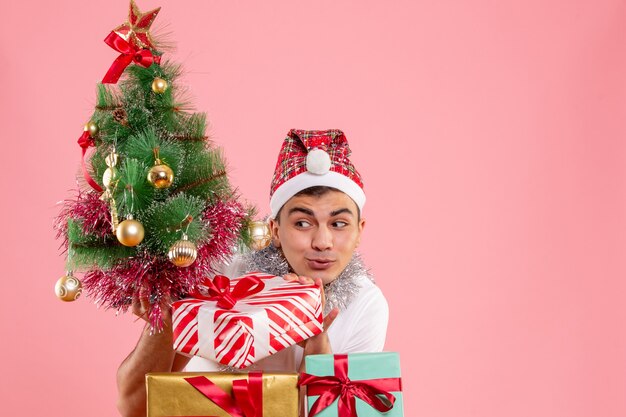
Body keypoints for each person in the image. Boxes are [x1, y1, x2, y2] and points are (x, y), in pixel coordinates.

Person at [116, 129, 389, 417]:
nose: (322, 242)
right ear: (275, 231)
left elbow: (336, 413)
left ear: (359, 232)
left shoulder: (366, 304)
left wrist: (316, 344)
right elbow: (134, 405)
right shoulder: (224, 273)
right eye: (302, 223)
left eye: (339, 224)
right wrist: (166, 319)